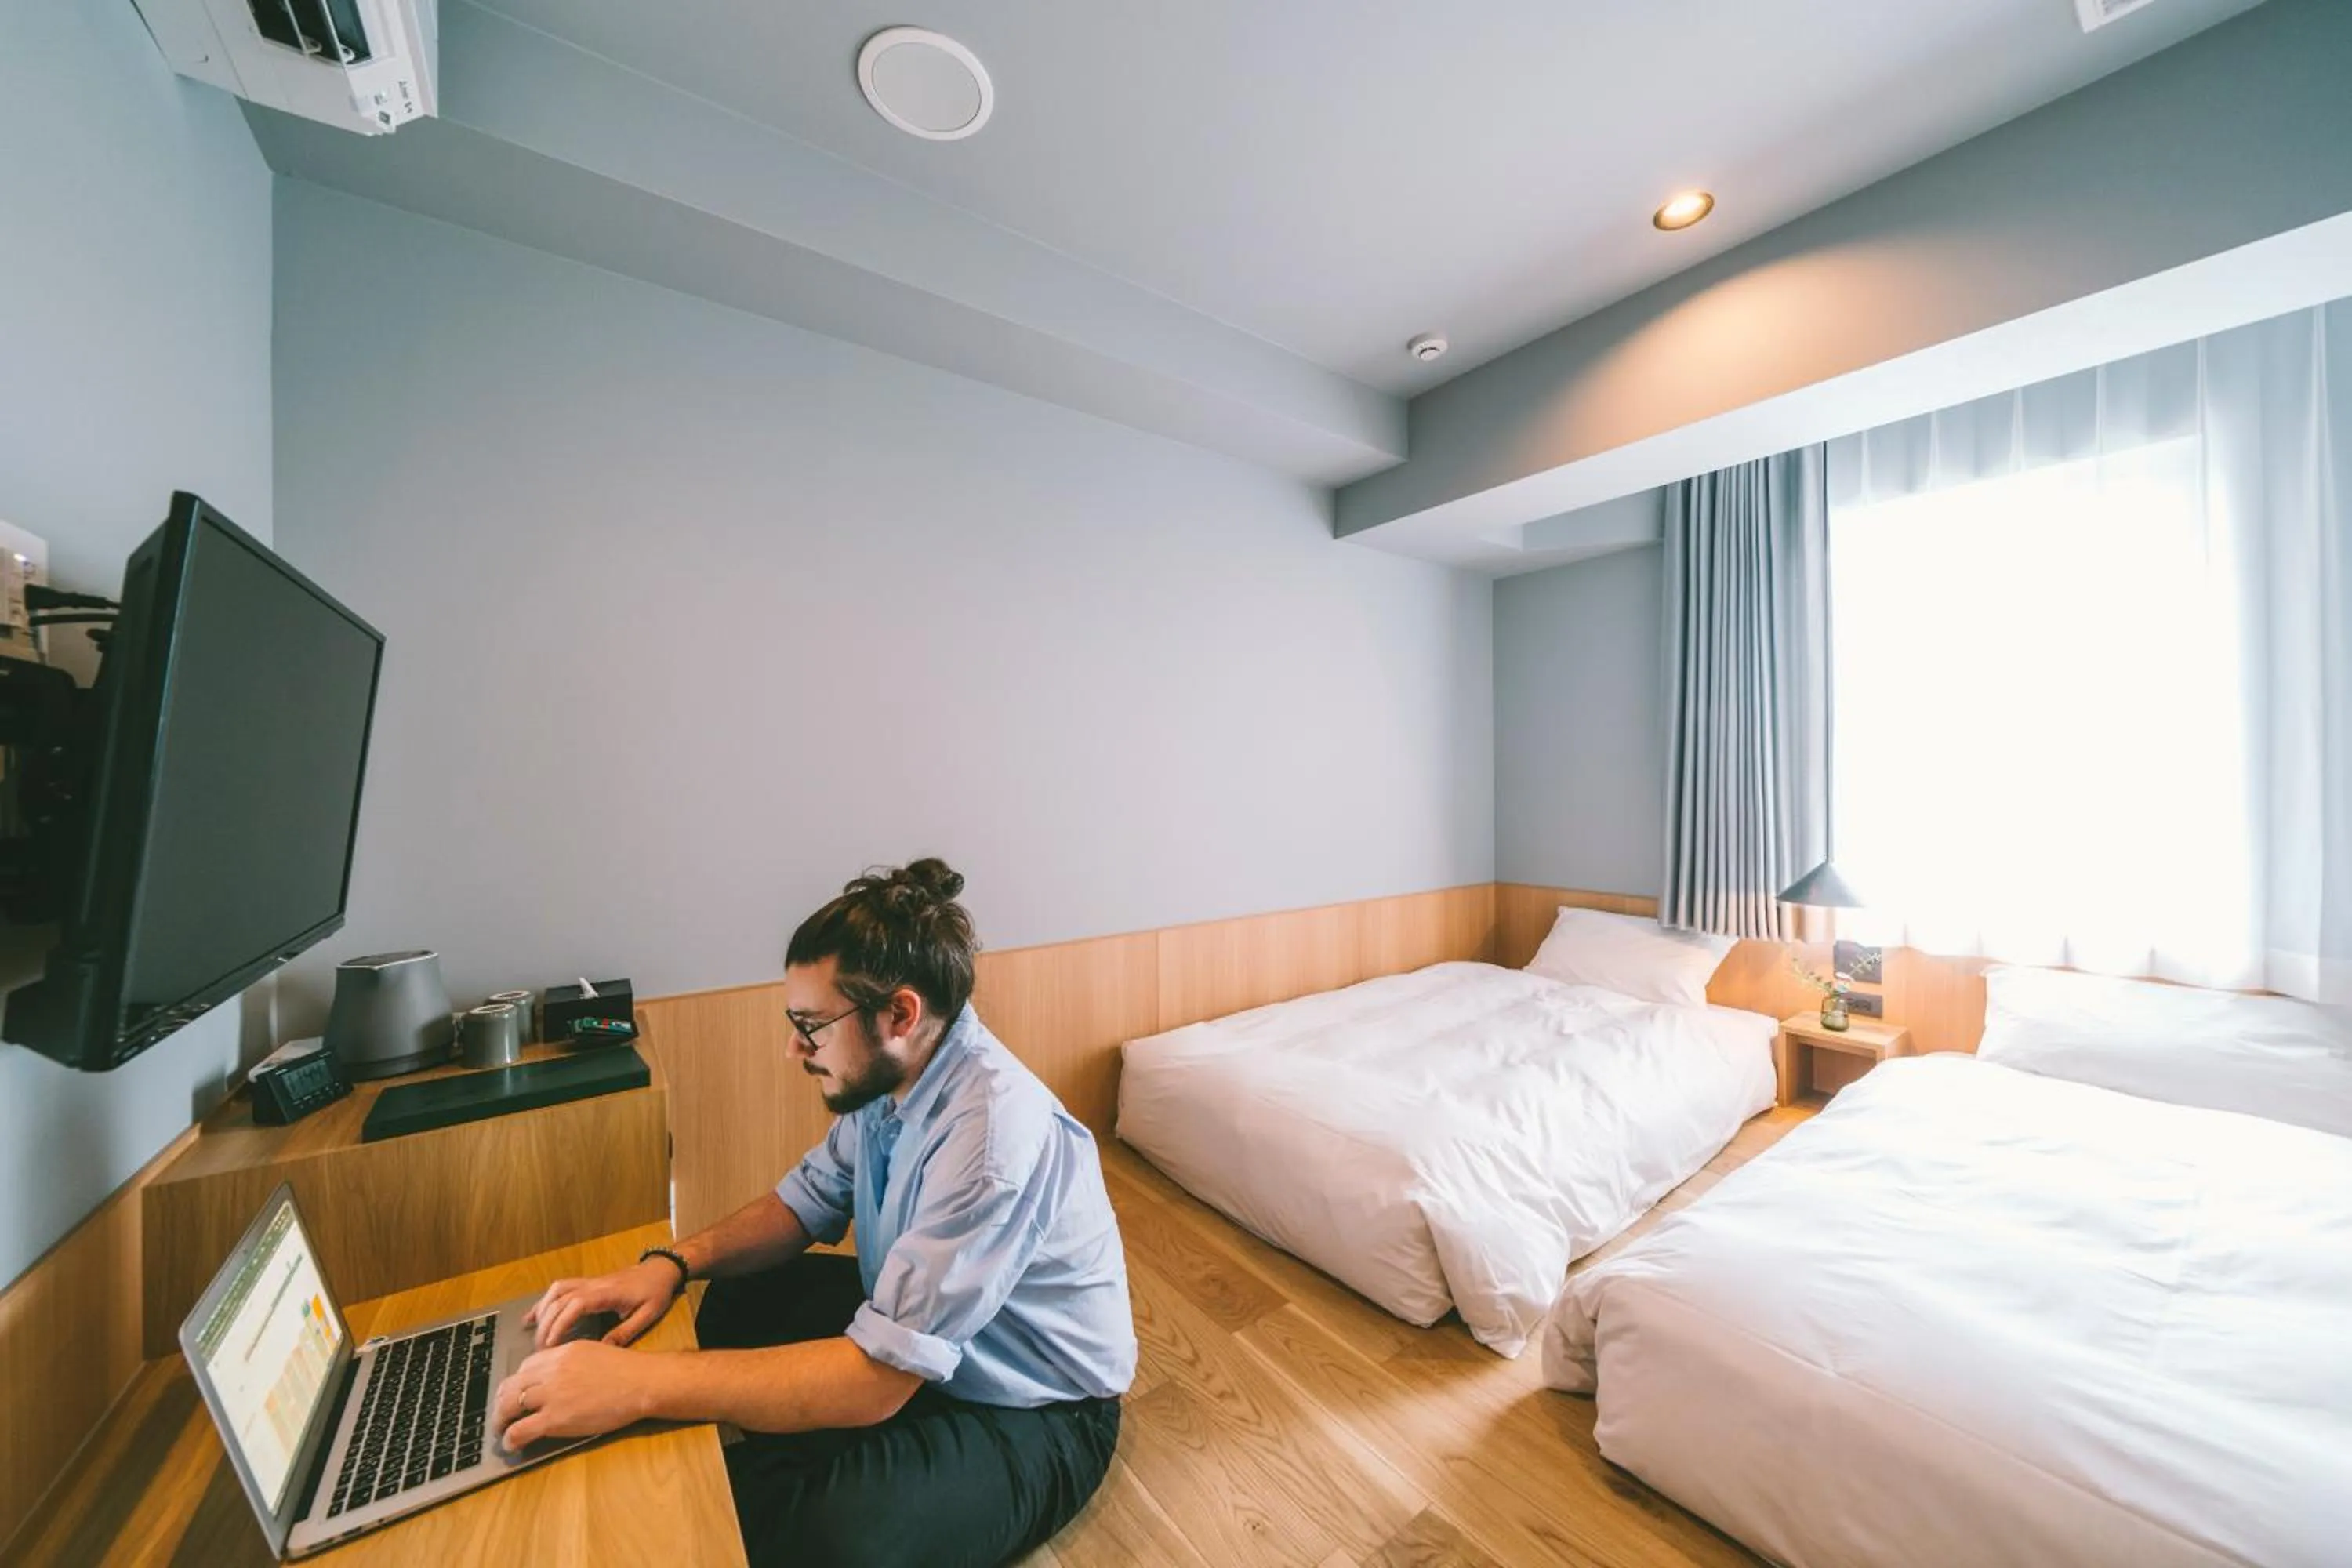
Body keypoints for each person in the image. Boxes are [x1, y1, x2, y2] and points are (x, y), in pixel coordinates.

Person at [495, 859, 1137, 1567]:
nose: (795, 1047)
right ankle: (784, 1461)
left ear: (900, 1015)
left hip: (1035, 1404)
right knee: (735, 1292)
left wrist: (641, 1388)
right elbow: (799, 1205)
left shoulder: (991, 1138)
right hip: (936, 1344)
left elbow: (876, 1382)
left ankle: (779, 1481)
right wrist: (670, 1264)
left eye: (812, 1026)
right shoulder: (899, 1078)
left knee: (835, 1539)